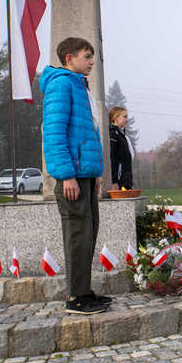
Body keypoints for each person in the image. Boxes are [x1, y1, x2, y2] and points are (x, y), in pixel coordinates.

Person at [41, 37, 109, 315]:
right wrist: (67, 175)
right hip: (72, 177)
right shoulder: (61, 84)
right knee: (77, 235)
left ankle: (84, 291)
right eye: (87, 56)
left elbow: (88, 134)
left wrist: (96, 174)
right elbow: (54, 134)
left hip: (86, 175)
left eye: (92, 56)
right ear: (70, 58)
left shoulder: (81, 87)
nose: (92, 61)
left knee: (88, 234)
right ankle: (75, 298)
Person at [108, 106, 134, 190]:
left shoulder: (121, 135)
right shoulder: (112, 134)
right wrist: (113, 181)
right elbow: (111, 158)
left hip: (126, 180)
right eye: (125, 117)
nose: (127, 119)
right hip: (119, 182)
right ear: (115, 118)